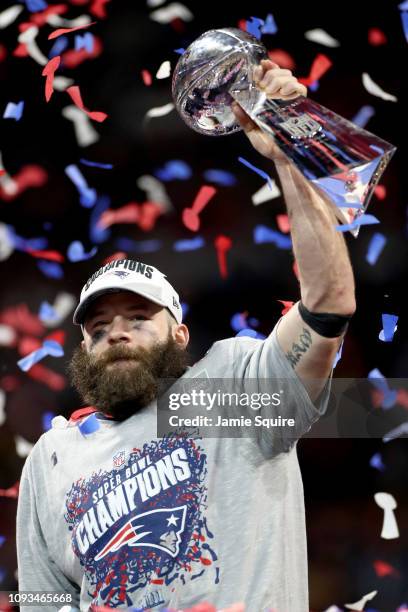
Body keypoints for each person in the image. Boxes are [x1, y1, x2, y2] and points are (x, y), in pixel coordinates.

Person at [16, 60, 356, 612]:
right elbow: (37, 600)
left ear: (180, 335)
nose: (116, 334)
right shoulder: (50, 459)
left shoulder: (229, 387)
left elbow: (328, 305)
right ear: (81, 348)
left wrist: (289, 159)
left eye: (137, 319)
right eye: (98, 327)